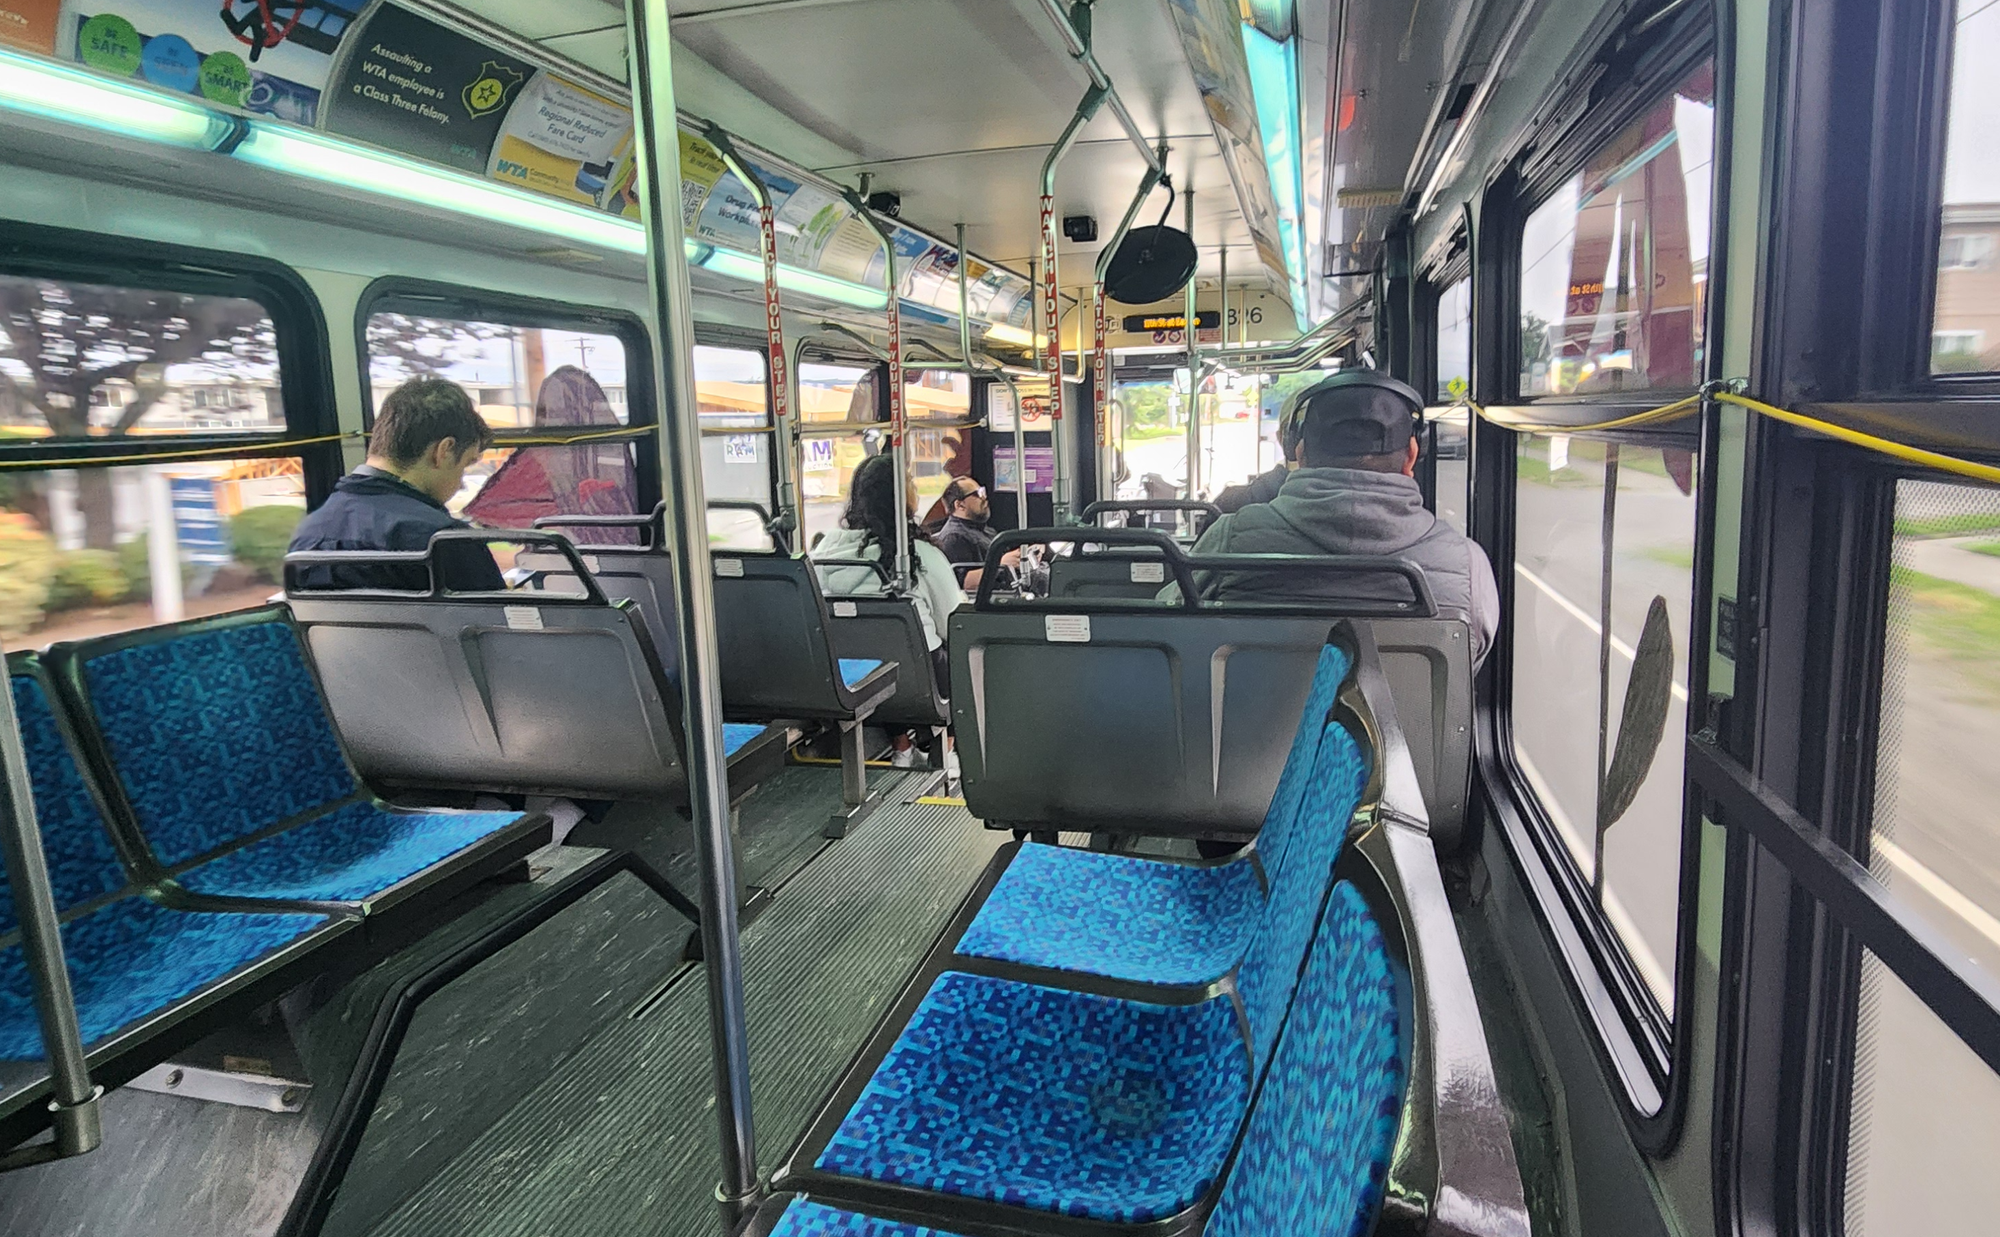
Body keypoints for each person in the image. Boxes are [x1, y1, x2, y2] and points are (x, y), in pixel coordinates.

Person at [1176, 370, 1499, 667]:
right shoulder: (1468, 566)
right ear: (1413, 454)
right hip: (1405, 732)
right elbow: (1464, 668)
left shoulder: (1229, 539)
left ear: (1297, 453)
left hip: (1245, 731)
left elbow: (1171, 627)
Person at [813, 453, 966, 764]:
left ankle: (901, 745)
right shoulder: (917, 556)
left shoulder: (826, 550)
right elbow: (953, 622)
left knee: (875, 644)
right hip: (922, 682)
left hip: (848, 677)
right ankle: (948, 746)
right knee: (960, 655)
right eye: (910, 480)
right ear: (901, 496)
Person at [288, 376, 504, 593]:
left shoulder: (307, 538)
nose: (460, 485)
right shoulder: (444, 541)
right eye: (465, 465)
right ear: (444, 451)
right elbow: (495, 622)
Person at [930, 476, 1025, 592]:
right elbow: (963, 583)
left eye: (983, 491)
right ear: (959, 505)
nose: (984, 498)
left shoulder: (986, 530)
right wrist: (1000, 564)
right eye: (978, 494)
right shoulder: (954, 538)